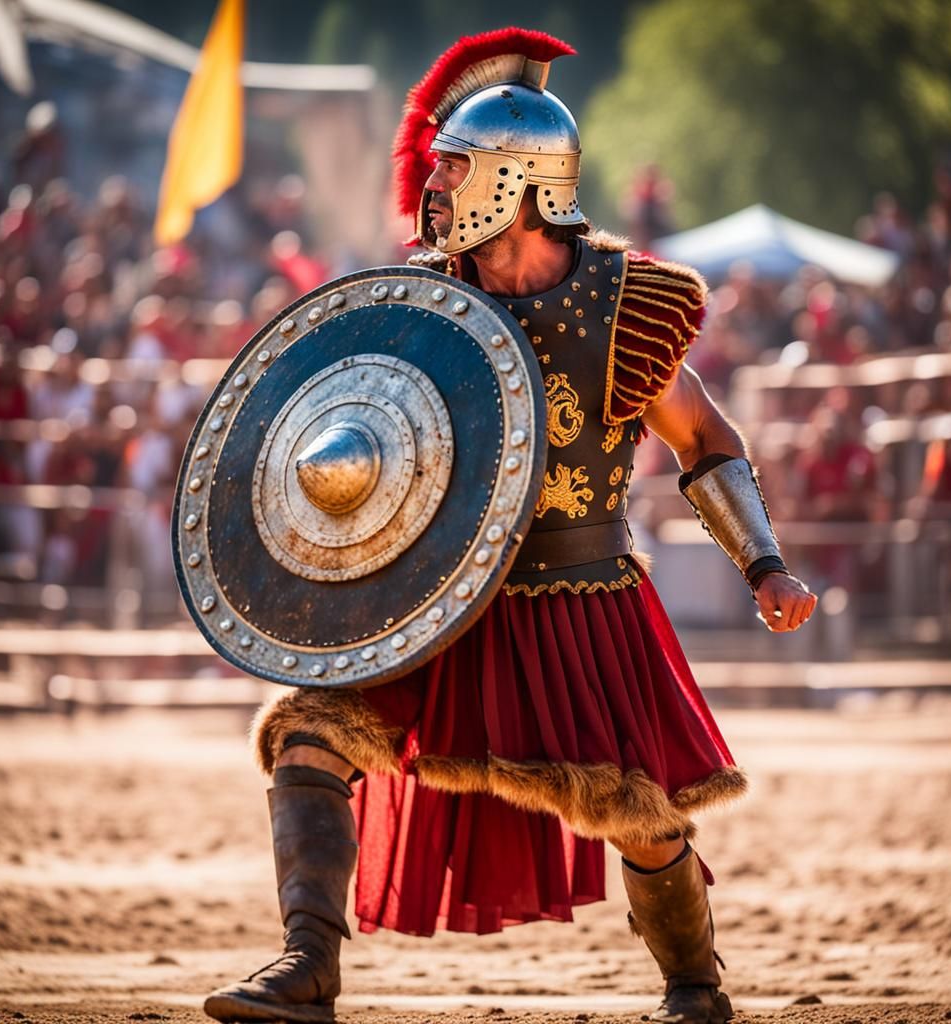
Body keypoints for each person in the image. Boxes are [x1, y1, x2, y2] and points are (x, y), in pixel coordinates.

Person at [203, 28, 817, 1024]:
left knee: (641, 812)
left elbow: (704, 437)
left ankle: (695, 984)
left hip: (577, 597)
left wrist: (765, 566)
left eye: (457, 169)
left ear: (520, 181)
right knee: (309, 729)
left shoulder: (622, 305)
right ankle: (306, 962)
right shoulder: (426, 301)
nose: (435, 188)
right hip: (439, 595)